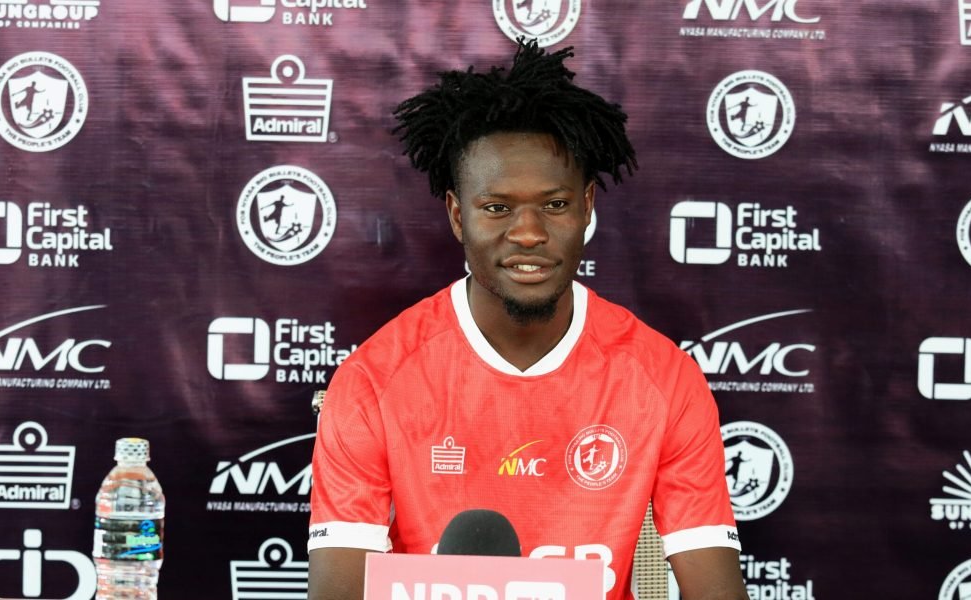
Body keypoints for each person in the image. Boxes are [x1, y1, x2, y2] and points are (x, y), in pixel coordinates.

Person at [307, 40, 748, 600]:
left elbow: (717, 590)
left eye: (555, 205)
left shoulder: (663, 378)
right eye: (497, 208)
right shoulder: (375, 379)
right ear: (456, 214)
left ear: (587, 207)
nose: (529, 233)